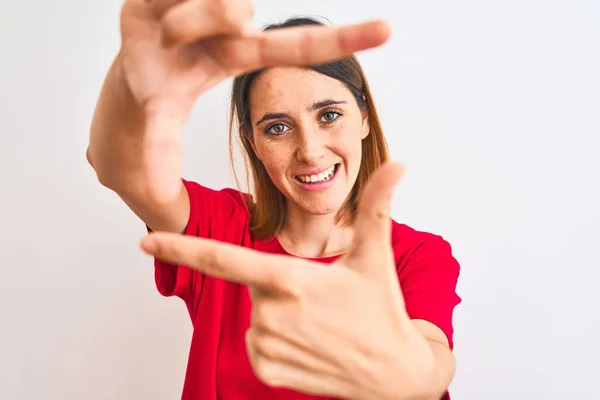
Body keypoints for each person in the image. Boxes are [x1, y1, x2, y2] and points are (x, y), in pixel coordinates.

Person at [87, 1, 461, 399]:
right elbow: (117, 167)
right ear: (254, 143)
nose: (311, 151)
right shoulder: (222, 228)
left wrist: (411, 375)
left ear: (364, 117)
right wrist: (128, 81)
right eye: (278, 127)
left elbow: (432, 358)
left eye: (329, 115)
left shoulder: (417, 256)